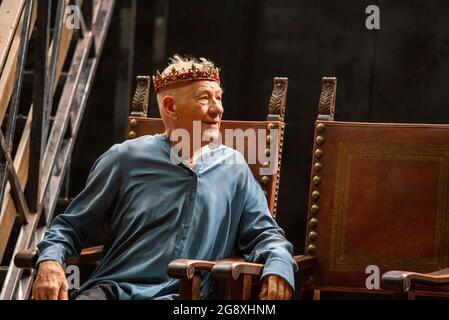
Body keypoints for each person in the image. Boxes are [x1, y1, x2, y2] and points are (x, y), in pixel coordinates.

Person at [31, 55, 298, 300]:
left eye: (219, 97)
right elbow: (70, 227)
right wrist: (50, 261)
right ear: (171, 107)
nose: (218, 109)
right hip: (114, 291)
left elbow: (265, 235)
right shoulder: (125, 159)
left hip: (183, 297)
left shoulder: (234, 168)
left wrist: (278, 266)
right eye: (205, 98)